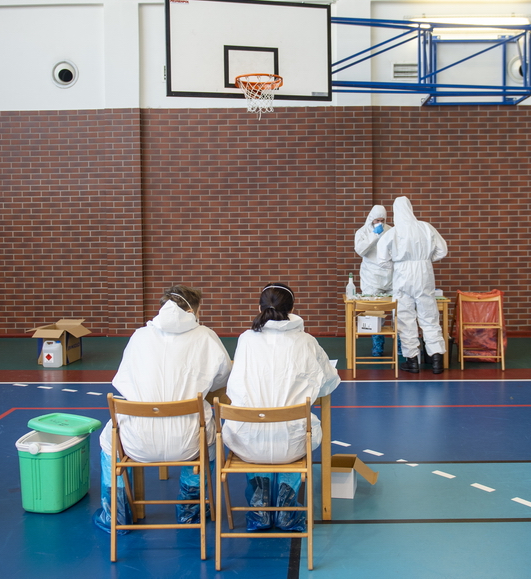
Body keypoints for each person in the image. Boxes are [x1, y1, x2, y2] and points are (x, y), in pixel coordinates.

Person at [94, 285, 232, 532]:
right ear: (193, 310)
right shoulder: (206, 336)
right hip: (190, 443)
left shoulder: (139, 336)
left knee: (108, 442)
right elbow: (223, 378)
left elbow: (124, 378)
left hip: (137, 441)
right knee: (209, 438)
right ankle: (190, 511)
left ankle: (117, 514)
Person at [222, 282, 341, 531]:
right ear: (293, 309)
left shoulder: (245, 339)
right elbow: (328, 384)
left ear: (260, 307)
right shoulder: (306, 342)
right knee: (301, 432)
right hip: (292, 444)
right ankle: (287, 509)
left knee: (254, 436)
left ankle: (260, 510)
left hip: (247, 443)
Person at [376, 196, 449, 374]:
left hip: (402, 275)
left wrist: (396, 265)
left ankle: (412, 361)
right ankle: (437, 360)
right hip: (424, 273)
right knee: (429, 317)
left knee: (405, 318)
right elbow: (443, 250)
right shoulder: (425, 227)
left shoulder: (392, 232)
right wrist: (426, 260)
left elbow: (381, 259)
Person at [354, 204, 393, 356]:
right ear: (371, 219)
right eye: (377, 220)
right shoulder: (363, 232)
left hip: (391, 276)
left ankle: (402, 345)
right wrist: (374, 235)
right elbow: (360, 250)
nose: (380, 223)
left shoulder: (391, 230)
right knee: (375, 313)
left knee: (400, 311)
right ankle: (378, 345)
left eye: (382, 220)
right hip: (372, 277)